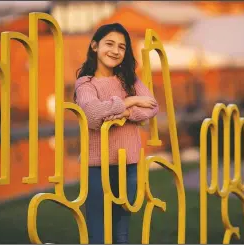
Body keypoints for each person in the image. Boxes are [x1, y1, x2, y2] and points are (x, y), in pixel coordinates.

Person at [73, 23, 159, 244]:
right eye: (109, 44)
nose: (115, 50)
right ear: (94, 46)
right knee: (97, 234)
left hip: (128, 164)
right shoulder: (85, 84)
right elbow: (92, 115)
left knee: (121, 233)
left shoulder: (129, 80)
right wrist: (129, 101)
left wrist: (122, 112)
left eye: (121, 47)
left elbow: (152, 107)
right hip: (96, 166)